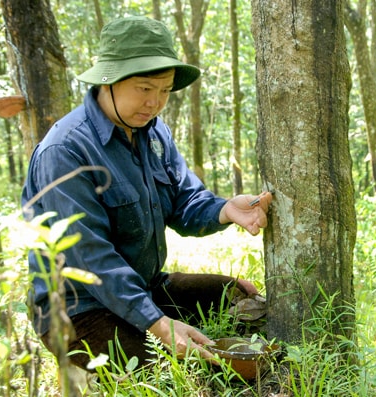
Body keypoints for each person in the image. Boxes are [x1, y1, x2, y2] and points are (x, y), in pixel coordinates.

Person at [21, 15, 272, 371]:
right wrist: (158, 324)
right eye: (144, 88)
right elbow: (91, 260)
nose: (155, 102)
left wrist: (226, 210)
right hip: (79, 310)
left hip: (144, 288)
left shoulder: (153, 134)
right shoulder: (66, 151)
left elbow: (185, 201)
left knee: (240, 297)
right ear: (108, 80)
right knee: (184, 372)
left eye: (165, 90)